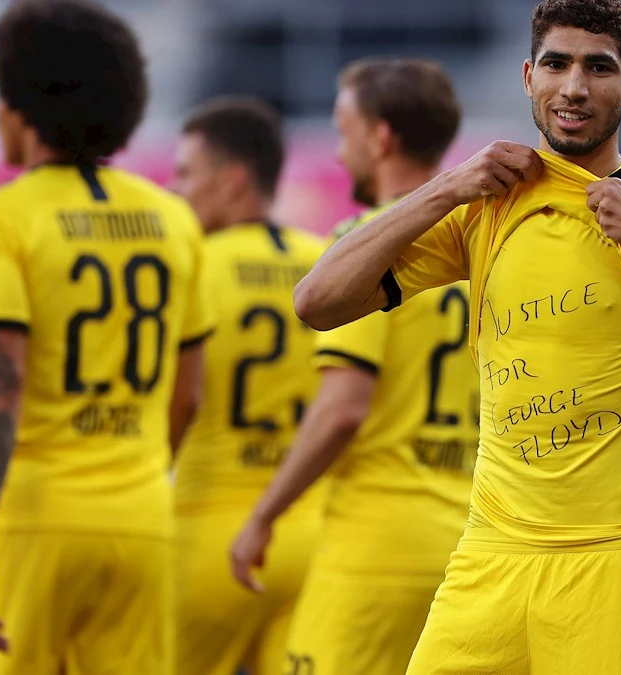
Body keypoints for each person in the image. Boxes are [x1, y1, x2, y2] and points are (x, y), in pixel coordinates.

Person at [291, 1, 621, 672]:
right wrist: (446, 188)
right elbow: (317, 301)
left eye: (598, 67)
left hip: (613, 559)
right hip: (489, 553)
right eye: (556, 64)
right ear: (528, 77)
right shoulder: (486, 205)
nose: (575, 87)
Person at [0, 1, 213, 673]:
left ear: (20, 104)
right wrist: (136, 474)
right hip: (142, 519)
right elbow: (191, 392)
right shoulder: (174, 218)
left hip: (33, 518)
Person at [229, 57, 476, 675]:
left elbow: (343, 409)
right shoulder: (478, 249)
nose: (340, 155)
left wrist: (264, 514)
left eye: (344, 132)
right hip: (470, 544)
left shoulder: (366, 250)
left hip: (376, 547)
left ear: (381, 136)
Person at [168, 96, 325, 675]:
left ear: (233, 181)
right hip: (310, 536)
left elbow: (176, 399)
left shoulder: (189, 265)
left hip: (206, 530)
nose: (176, 189)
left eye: (187, 173)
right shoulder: (327, 266)